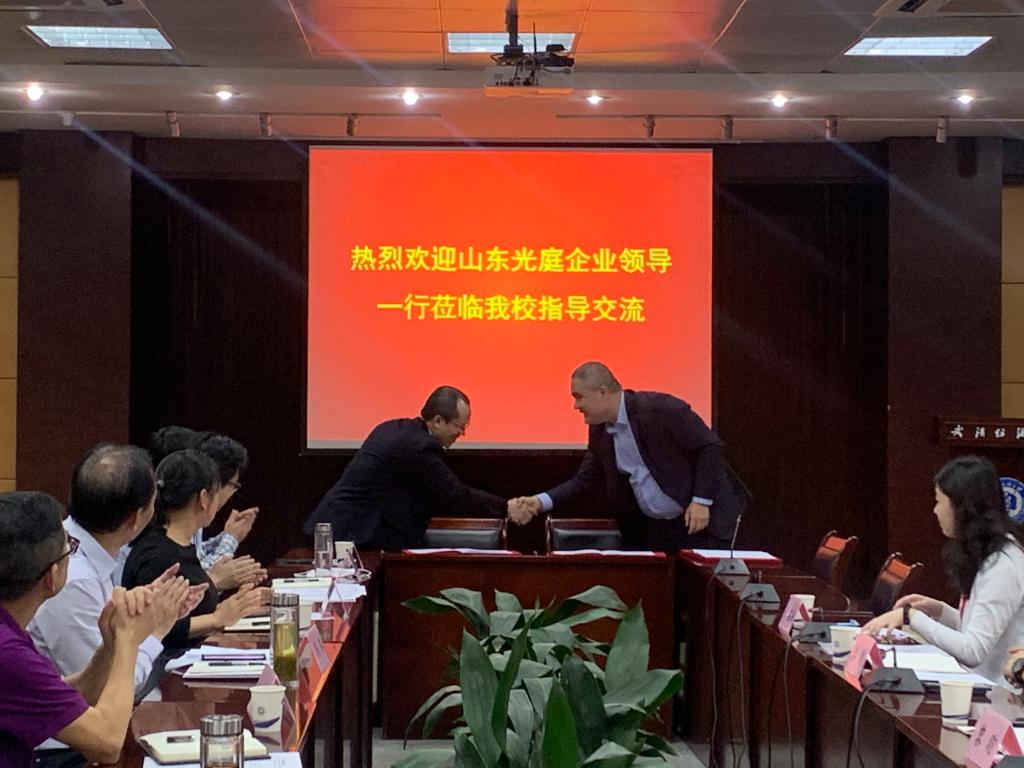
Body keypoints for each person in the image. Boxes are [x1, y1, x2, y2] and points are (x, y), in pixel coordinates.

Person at [0, 491, 187, 767]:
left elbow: (67, 695)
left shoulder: (9, 634)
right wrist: (128, 640)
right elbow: (107, 744)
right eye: (70, 548)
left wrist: (110, 646)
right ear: (52, 576)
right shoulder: (7, 652)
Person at [508, 362, 746, 552]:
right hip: (658, 531)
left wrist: (701, 501)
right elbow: (584, 481)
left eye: (579, 397)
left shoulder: (661, 409)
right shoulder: (600, 431)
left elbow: (709, 447)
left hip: (703, 524)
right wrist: (538, 502)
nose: (576, 406)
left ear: (602, 392)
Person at [29, 444, 206, 695]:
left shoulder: (85, 549)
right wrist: (157, 629)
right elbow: (109, 688)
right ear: (135, 518)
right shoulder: (72, 578)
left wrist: (147, 609)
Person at [863, 456, 1024, 686]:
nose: (935, 510)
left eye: (939, 501)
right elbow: (981, 629)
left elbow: (973, 650)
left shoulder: (1004, 565)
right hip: (978, 689)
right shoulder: (989, 554)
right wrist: (940, 611)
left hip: (999, 697)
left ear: (962, 509)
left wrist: (910, 617)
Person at [303, 386, 518, 550]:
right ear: (438, 421)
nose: (462, 433)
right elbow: (454, 493)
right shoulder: (418, 446)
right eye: (460, 426)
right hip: (348, 535)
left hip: (343, 529)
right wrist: (506, 507)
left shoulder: (395, 428)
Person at [121, 450, 268, 649]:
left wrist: (240, 605)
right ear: (204, 498)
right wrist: (217, 618)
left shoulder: (182, 544)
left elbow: (192, 612)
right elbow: (159, 628)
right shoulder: (157, 554)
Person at [149, 427, 264, 590]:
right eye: (233, 486)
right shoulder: (159, 546)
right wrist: (230, 541)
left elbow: (198, 557)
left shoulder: (181, 529)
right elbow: (193, 581)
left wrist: (229, 536)